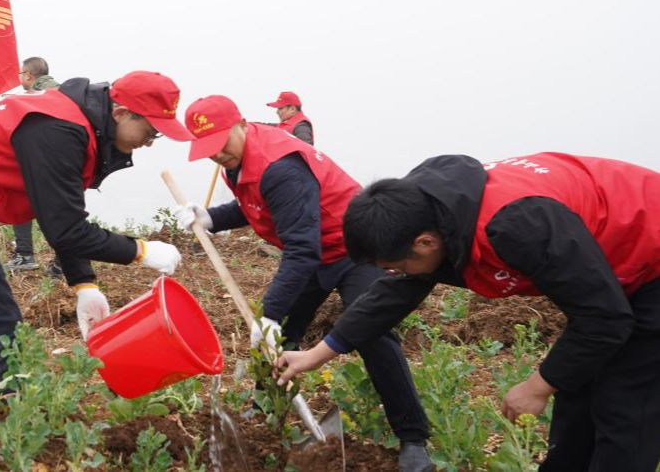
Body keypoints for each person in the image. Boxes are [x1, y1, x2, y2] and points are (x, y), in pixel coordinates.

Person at [274, 152, 660, 472]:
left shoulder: (516, 226)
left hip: (650, 254)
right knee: (577, 398)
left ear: (424, 243)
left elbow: (605, 319)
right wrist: (316, 354)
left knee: (625, 407)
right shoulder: (427, 208)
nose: (394, 275)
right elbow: (394, 292)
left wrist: (538, 385)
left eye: (396, 265)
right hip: (607, 266)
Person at [0, 70, 190, 387]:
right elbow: (66, 229)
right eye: (150, 132)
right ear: (122, 113)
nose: (149, 143)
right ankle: (9, 413)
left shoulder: (82, 123)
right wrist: (140, 251)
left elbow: (58, 211)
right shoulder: (59, 129)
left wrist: (84, 284)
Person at [176, 95, 432, 472]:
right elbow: (262, 206)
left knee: (372, 331)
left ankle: (413, 438)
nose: (216, 155)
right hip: (313, 247)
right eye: (207, 150)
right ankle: (266, 405)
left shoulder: (281, 165)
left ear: (241, 124)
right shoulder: (239, 158)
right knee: (282, 335)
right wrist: (212, 217)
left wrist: (272, 313)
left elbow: (301, 247)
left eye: (219, 144)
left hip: (353, 249)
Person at [5, 56, 62, 273]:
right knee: (60, 211)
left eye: (21, 74)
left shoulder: (33, 96)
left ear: (28, 75)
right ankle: (62, 262)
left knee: (21, 202)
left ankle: (25, 255)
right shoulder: (65, 91)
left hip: (41, 161)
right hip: (63, 161)